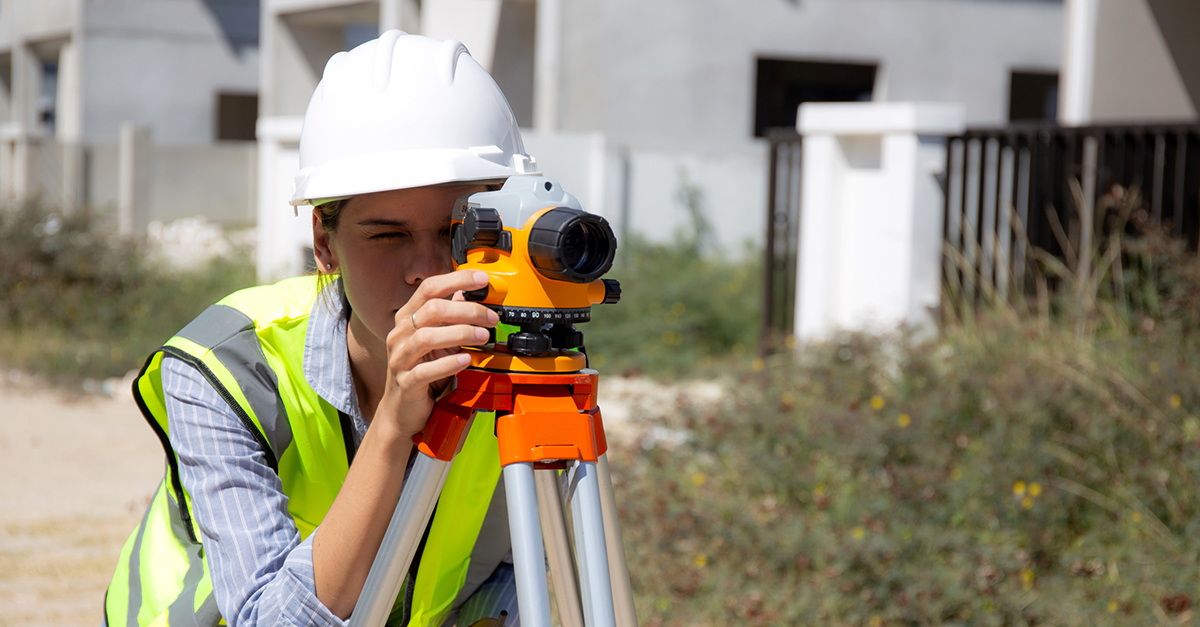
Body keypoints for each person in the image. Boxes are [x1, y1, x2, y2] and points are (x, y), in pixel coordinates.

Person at [105, 31, 542, 627]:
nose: (429, 270)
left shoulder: (519, 361)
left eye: (457, 232)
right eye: (387, 236)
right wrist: (393, 424)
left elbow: (520, 572)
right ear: (323, 243)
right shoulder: (225, 368)